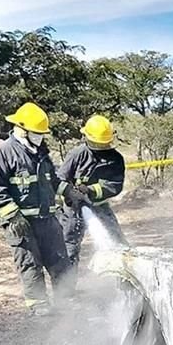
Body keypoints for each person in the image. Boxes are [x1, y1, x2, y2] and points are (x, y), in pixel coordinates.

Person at [0, 102, 72, 316]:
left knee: (60, 260)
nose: (40, 137)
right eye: (36, 133)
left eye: (42, 134)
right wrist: (13, 215)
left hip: (48, 220)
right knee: (30, 264)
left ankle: (66, 301)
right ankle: (38, 306)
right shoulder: (4, 153)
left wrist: (69, 191)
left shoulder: (40, 152)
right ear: (22, 129)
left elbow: (52, 180)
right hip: (22, 224)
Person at [57, 114, 127, 273]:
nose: (101, 148)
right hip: (73, 208)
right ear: (86, 137)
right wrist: (69, 191)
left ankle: (124, 282)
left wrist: (90, 190)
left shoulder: (116, 159)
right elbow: (59, 179)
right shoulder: (77, 154)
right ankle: (67, 289)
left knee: (118, 242)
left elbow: (115, 185)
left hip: (99, 206)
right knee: (70, 247)